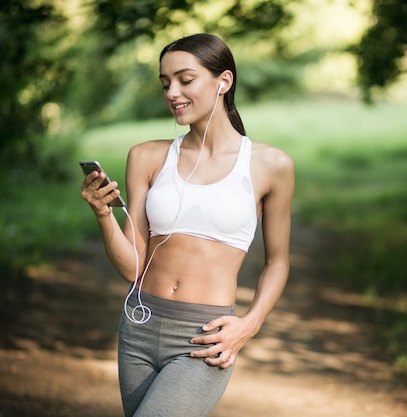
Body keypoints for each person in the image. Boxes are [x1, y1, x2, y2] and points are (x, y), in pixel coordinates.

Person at [80, 33, 294, 417]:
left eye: (185, 79)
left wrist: (251, 323)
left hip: (204, 338)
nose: (172, 92)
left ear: (223, 81)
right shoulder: (146, 156)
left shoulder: (270, 165)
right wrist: (103, 214)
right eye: (165, 83)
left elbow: (277, 262)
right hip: (139, 325)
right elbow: (133, 266)